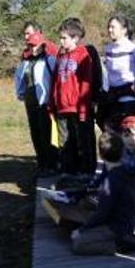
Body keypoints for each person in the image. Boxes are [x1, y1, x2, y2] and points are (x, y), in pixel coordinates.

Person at [72, 132, 135, 255]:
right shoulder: (125, 171)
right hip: (127, 221)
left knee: (79, 243)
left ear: (101, 155)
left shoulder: (111, 180)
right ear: (122, 151)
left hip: (117, 227)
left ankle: (119, 245)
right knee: (86, 207)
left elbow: (102, 213)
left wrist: (81, 230)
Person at [50, 18, 97, 177]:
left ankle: (86, 172)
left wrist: (84, 108)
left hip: (78, 107)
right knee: (65, 142)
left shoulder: (83, 55)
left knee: (82, 141)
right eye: (60, 38)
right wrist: (53, 103)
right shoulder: (60, 56)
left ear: (75, 38)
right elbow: (55, 81)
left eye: (64, 38)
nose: (61, 41)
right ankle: (68, 171)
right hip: (62, 107)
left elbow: (86, 84)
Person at [14, 31, 58, 177]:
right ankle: (41, 163)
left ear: (42, 45)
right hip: (30, 102)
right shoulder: (25, 62)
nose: (33, 48)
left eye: (35, 45)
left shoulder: (49, 60)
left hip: (45, 103)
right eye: (30, 45)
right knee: (35, 134)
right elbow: (20, 79)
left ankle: (51, 164)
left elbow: (55, 81)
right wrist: (20, 92)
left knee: (47, 134)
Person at [101, 16, 135, 128]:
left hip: (129, 99)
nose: (110, 30)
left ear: (124, 30)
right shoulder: (108, 50)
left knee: (131, 138)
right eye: (108, 27)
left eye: (113, 27)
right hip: (112, 99)